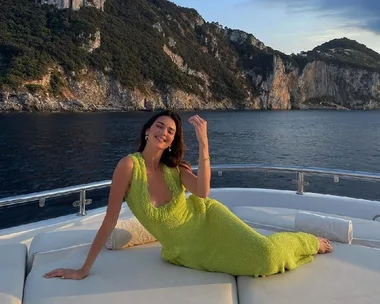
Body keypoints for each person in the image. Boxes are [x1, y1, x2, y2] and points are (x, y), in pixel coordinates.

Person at [44, 110, 333, 280]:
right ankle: (294, 244)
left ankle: (306, 241)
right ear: (147, 130)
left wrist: (204, 144)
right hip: (184, 251)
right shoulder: (128, 166)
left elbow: (204, 192)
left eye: (171, 131)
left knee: (266, 256)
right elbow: (109, 221)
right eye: (159, 126)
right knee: (258, 265)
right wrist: (83, 270)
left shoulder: (176, 168)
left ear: (173, 141)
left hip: (210, 221)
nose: (164, 132)